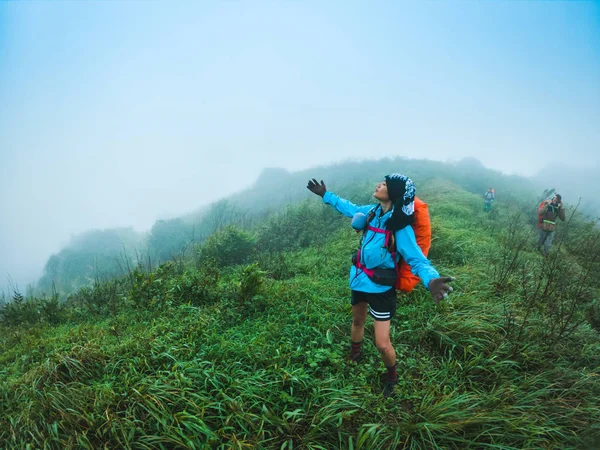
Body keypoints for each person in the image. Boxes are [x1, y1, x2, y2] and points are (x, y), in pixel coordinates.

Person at [307, 174, 454, 397]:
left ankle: (392, 377)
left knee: (382, 344)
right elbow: (350, 208)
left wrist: (431, 280)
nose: (378, 185)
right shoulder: (372, 211)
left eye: (384, 184)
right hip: (359, 279)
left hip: (381, 288)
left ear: (393, 194)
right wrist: (326, 195)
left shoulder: (399, 226)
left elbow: (416, 259)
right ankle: (355, 357)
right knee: (357, 320)